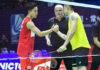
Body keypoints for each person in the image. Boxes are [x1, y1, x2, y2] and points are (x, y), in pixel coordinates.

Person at [17, 2, 59, 70]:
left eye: (37, 11)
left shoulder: (29, 21)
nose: (37, 13)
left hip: (27, 50)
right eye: (35, 11)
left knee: (28, 68)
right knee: (25, 68)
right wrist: (52, 30)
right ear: (29, 11)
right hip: (24, 51)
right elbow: (40, 33)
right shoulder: (29, 23)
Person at [56, 5, 91, 70]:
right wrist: (58, 32)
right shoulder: (70, 20)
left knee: (81, 67)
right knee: (75, 68)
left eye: (63, 8)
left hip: (81, 46)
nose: (63, 10)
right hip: (76, 48)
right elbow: (68, 37)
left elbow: (72, 31)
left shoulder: (73, 16)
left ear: (67, 7)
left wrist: (64, 45)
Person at [45, 5, 72, 70]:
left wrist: (57, 31)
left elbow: (68, 37)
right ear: (54, 12)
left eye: (60, 10)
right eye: (56, 11)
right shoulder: (51, 21)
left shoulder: (68, 20)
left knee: (70, 68)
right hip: (55, 50)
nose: (58, 12)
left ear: (63, 11)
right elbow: (47, 32)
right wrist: (47, 39)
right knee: (53, 69)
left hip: (67, 49)